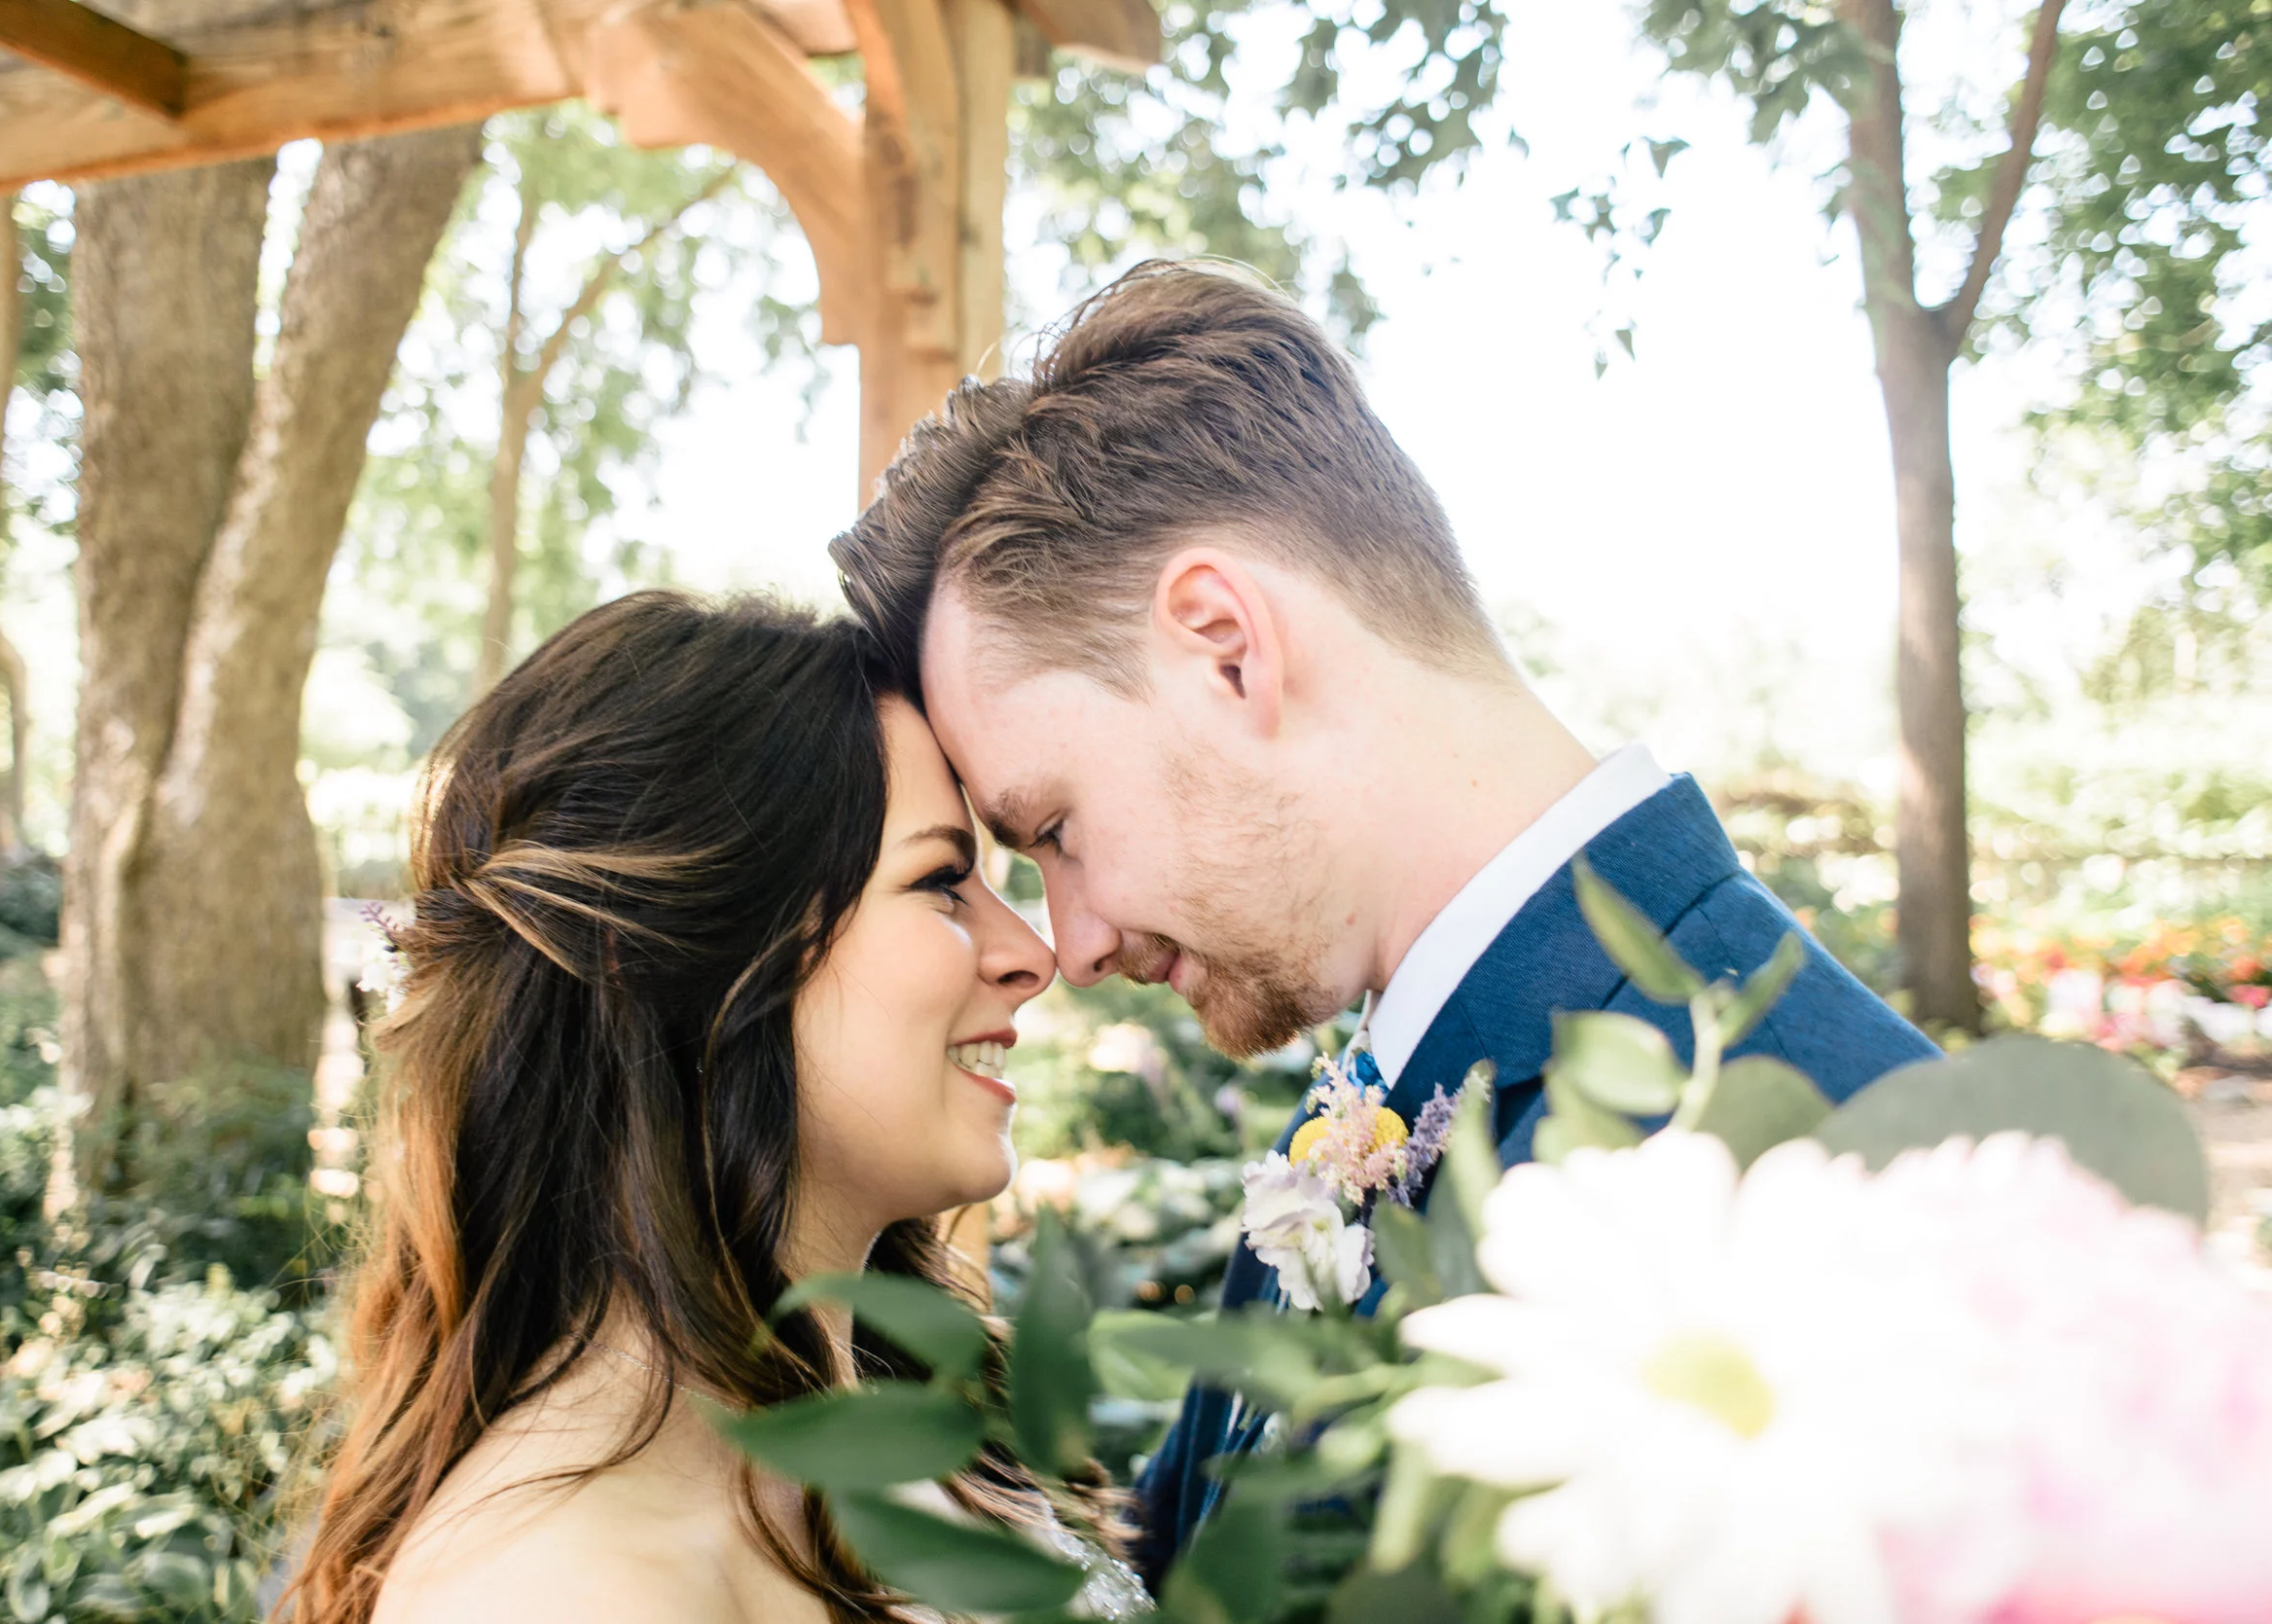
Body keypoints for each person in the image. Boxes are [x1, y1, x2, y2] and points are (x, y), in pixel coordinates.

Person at [827, 260, 1940, 1587]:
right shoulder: (1371, 1118)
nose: (1072, 947)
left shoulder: (1827, 1176)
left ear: (1228, 646)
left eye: (1054, 828)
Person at [287, 593, 1141, 1622]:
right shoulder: (557, 1588)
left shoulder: (919, 1422)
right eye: (940, 882)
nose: (1034, 954)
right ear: (684, 960)